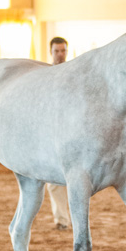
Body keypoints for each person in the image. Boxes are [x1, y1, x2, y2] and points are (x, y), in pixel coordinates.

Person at [46, 37, 71, 230]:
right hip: (51, 133)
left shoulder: (73, 74)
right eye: (57, 51)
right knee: (54, 179)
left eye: (63, 51)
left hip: (71, 132)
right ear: (51, 52)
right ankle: (61, 219)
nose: (60, 54)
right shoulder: (45, 75)